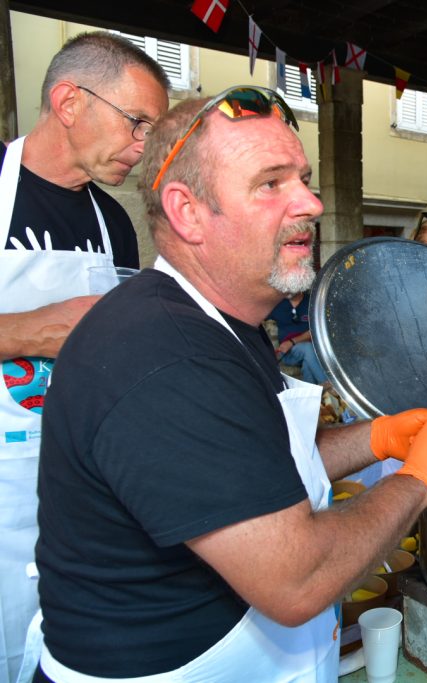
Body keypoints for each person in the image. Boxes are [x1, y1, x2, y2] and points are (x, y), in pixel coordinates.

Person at [32, 87, 427, 682]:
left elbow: (251, 462)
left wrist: (378, 438)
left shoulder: (220, 322)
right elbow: (297, 580)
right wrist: (418, 478)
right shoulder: (166, 356)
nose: (312, 203)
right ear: (187, 210)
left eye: (302, 177)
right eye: (271, 183)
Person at [0, 32, 169, 683]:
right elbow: (44, 333)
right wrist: (25, 334)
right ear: (68, 100)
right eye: (136, 123)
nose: (143, 147)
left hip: (83, 507)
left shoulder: (113, 222)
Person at [266, 291, 328, 385]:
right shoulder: (278, 303)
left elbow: (318, 328)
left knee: (308, 364)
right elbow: (256, 320)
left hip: (315, 351)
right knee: (308, 349)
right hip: (288, 353)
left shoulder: (312, 302)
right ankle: (329, 385)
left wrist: (292, 341)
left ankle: (315, 394)